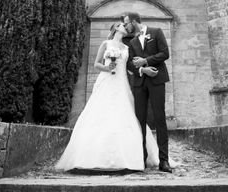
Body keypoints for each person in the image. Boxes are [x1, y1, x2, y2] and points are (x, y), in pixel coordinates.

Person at [54, 22, 159, 171]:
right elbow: (96, 64)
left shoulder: (127, 48)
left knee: (125, 114)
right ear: (116, 28)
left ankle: (129, 158)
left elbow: (130, 67)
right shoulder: (106, 43)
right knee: (100, 113)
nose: (125, 27)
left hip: (121, 83)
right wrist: (106, 67)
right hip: (106, 80)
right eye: (122, 25)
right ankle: (91, 158)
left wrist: (143, 69)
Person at [124, 12, 173, 173]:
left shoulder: (156, 32)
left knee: (160, 119)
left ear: (133, 21)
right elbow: (130, 64)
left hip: (157, 80)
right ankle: (141, 158)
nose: (125, 27)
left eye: (126, 23)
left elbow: (165, 53)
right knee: (140, 121)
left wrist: (146, 61)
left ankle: (164, 160)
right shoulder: (131, 42)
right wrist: (143, 69)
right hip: (139, 84)